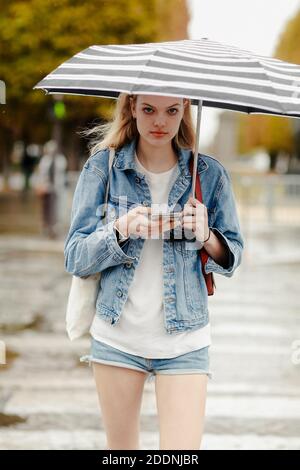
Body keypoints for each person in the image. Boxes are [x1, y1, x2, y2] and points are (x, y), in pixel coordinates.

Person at [64, 93, 244, 450]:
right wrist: (120, 229)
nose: (159, 122)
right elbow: (75, 257)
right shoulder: (104, 168)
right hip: (117, 337)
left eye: (171, 110)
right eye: (148, 110)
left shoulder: (208, 175)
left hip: (185, 340)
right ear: (132, 108)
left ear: (185, 112)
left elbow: (234, 254)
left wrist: (207, 235)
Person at [35, 140, 67, 238]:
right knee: (46, 210)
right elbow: (41, 175)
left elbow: (61, 174)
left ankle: (55, 227)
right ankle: (46, 227)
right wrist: (40, 186)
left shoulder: (61, 160)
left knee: (57, 209)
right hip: (46, 189)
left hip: (57, 189)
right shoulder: (45, 160)